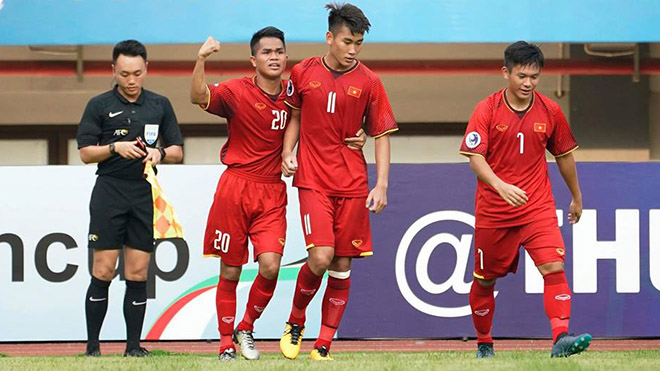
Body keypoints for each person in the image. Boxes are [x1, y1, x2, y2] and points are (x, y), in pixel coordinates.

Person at [190, 27, 367, 361]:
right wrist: (200, 59)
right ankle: (225, 341)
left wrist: (358, 135)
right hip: (235, 187)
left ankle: (246, 326)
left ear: (286, 57)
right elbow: (198, 96)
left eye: (279, 52)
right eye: (267, 52)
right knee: (230, 270)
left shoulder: (296, 92)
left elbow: (331, 116)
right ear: (253, 59)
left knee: (270, 266)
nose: (274, 57)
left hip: (273, 191)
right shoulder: (235, 91)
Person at [279, 2, 398, 361]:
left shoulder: (370, 82)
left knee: (342, 265)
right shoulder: (302, 72)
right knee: (321, 256)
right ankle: (295, 321)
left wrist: (381, 184)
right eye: (347, 41)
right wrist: (289, 150)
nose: (352, 50)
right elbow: (295, 115)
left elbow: (382, 135)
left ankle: (324, 344)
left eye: (358, 43)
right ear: (329, 37)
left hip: (353, 182)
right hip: (313, 178)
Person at [459, 41, 592, 358]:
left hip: (537, 207)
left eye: (534, 76)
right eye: (522, 76)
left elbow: (563, 156)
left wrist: (576, 197)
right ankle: (484, 342)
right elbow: (475, 158)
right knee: (485, 280)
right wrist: (500, 185)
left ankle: (561, 337)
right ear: (505, 73)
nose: (528, 83)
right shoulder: (487, 109)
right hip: (494, 212)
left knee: (554, 266)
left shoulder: (550, 110)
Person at [77, 39, 184, 357]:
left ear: (146, 69)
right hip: (109, 192)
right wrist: (113, 148)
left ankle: (133, 348)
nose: (131, 80)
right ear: (113, 71)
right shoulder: (98, 105)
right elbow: (85, 153)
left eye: (137, 73)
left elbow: (178, 150)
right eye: (124, 74)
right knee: (103, 270)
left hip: (143, 194)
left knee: (138, 272)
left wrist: (159, 153)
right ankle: (93, 348)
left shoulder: (160, 104)